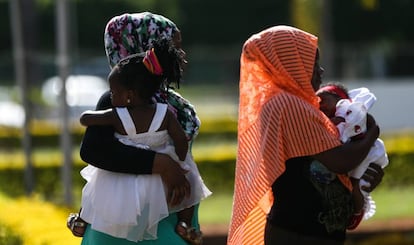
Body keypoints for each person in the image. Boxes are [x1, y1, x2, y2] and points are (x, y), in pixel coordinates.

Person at [227, 25, 384, 245]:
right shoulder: (288, 104)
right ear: (289, 63)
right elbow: (340, 161)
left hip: (302, 230)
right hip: (300, 234)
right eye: (312, 63)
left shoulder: (286, 104)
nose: (320, 71)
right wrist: (372, 132)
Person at [76, 12, 205, 245]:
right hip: (121, 232)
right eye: (174, 48)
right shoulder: (117, 101)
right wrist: (160, 163)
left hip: (169, 226)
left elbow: (186, 167)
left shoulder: (173, 104)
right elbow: (94, 151)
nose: (181, 56)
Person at [316, 83, 389, 226]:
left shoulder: (348, 110)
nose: (320, 104)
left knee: (358, 183)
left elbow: (362, 126)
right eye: (317, 102)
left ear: (339, 100)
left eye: (323, 100)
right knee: (353, 183)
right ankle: (357, 209)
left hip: (367, 153)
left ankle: (357, 209)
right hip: (352, 154)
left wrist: (371, 132)